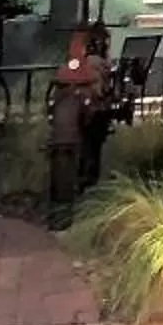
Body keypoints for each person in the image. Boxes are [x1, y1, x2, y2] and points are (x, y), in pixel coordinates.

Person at [45, 24, 117, 215]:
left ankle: (71, 191)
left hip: (73, 118)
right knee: (92, 142)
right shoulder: (98, 64)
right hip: (88, 112)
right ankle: (85, 183)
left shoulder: (71, 68)